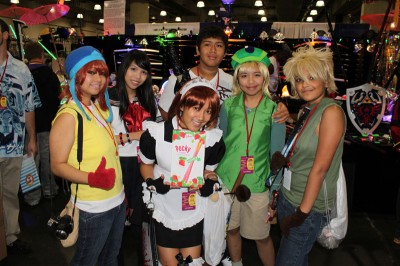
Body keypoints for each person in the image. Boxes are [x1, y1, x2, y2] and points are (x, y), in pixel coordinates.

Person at [50, 46, 125, 265]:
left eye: (102, 73)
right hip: (93, 207)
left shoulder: (97, 107)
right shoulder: (69, 116)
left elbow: (106, 145)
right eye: (91, 72)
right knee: (87, 260)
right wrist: (93, 178)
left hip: (116, 200)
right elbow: (57, 165)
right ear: (76, 75)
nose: (99, 79)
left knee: (110, 258)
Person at [139, 78, 226, 266]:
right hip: (164, 205)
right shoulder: (156, 134)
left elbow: (208, 172)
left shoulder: (212, 140)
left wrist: (209, 182)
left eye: (208, 111)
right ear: (181, 106)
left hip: (193, 208)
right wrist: (152, 182)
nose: (202, 117)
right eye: (196, 108)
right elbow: (146, 164)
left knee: (192, 262)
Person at [275, 45, 346, 265]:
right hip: (289, 198)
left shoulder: (331, 112)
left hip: (308, 208)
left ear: (326, 80)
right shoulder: (308, 109)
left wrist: (301, 214)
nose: (304, 84)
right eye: (299, 79)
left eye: (312, 77)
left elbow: (320, 169)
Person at [216, 46, 286, 266]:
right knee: (232, 229)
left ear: (265, 76)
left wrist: (275, 190)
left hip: (258, 182)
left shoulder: (274, 109)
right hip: (227, 179)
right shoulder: (227, 106)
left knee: (262, 236)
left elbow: (277, 154)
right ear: (237, 78)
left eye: (256, 75)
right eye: (244, 75)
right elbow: (220, 142)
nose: (251, 81)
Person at [109, 49, 157, 264]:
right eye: (133, 69)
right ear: (124, 69)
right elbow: (104, 135)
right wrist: (134, 137)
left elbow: (152, 134)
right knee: (115, 219)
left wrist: (126, 136)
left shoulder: (147, 99)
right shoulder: (107, 97)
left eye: (144, 72)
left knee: (140, 219)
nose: (137, 76)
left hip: (143, 164)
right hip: (115, 162)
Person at [0, 19, 41, 254]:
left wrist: (32, 138)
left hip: (14, 144)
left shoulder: (21, 69)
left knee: (10, 194)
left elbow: (30, 106)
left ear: (5, 35)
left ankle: (11, 237)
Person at [158, 25, 232, 120]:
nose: (213, 50)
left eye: (219, 45)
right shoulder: (178, 79)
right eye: (207, 44)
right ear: (198, 50)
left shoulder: (232, 82)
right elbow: (165, 112)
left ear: (225, 52)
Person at [23, 41, 61, 206]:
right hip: (47, 124)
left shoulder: (22, 74)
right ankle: (49, 189)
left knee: (30, 161)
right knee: (47, 158)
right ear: (41, 55)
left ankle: (32, 196)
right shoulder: (51, 75)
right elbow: (57, 99)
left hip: (26, 125)